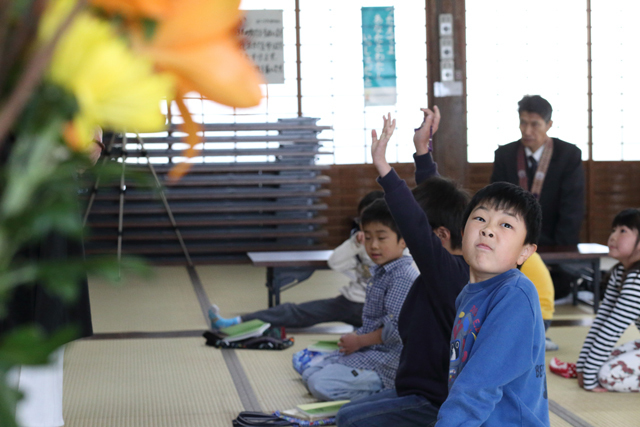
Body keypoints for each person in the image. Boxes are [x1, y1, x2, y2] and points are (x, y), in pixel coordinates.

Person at [336, 108, 470, 426]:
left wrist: (384, 169)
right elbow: (437, 202)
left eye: (422, 235)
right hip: (412, 388)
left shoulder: (452, 273)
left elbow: (416, 223)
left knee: (349, 420)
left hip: (435, 401)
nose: (412, 241)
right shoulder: (449, 263)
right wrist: (422, 151)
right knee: (344, 414)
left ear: (440, 235)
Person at [435, 181, 549, 426]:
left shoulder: (515, 294)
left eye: (506, 224)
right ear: (463, 234)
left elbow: (479, 384)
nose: (488, 230)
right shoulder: (468, 293)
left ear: (525, 252)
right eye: (480, 219)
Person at [208, 191, 388, 330]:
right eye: (364, 220)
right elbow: (335, 263)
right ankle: (234, 322)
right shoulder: (359, 242)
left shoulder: (399, 246)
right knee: (296, 311)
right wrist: (355, 243)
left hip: (383, 312)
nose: (368, 225)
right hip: (352, 303)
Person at [300, 199, 419, 401]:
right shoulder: (383, 271)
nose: (373, 246)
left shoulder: (402, 276)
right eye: (369, 238)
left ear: (403, 240)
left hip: (389, 361)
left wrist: (358, 341)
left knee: (319, 383)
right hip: (371, 350)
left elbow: (397, 329)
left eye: (382, 238)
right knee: (309, 373)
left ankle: (385, 393)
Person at [572, 208, 640, 392]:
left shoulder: (637, 279)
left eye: (623, 231)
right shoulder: (620, 272)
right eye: (613, 230)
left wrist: (590, 377)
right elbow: (602, 321)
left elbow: (613, 329)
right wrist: (582, 368)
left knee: (607, 375)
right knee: (604, 360)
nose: (613, 237)